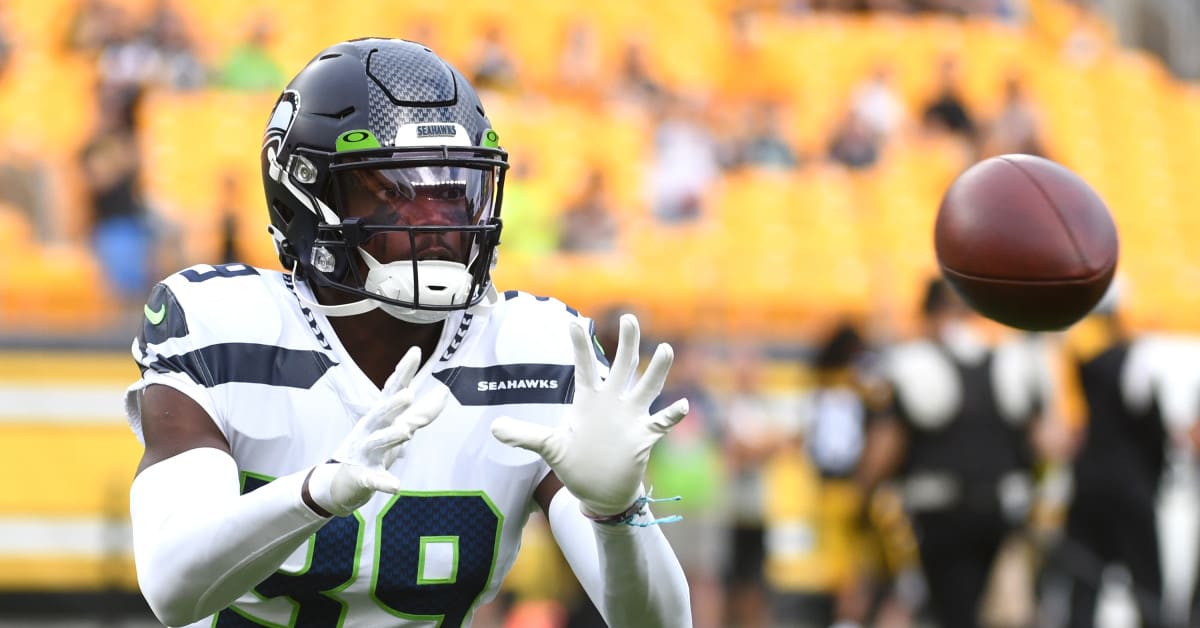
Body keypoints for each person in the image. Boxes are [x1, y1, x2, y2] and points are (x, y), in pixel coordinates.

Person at [123, 38, 692, 628]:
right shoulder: (225, 324)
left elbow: (659, 625)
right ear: (307, 194)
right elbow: (172, 588)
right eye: (396, 192)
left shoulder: (537, 346)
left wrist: (618, 514)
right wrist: (316, 493)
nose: (437, 223)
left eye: (454, 192)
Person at [859, 278, 1050, 628]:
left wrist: (862, 492)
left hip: (941, 513)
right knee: (1004, 613)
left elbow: (886, 446)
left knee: (951, 612)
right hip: (1004, 511)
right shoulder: (1006, 360)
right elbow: (1043, 441)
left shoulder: (912, 363)